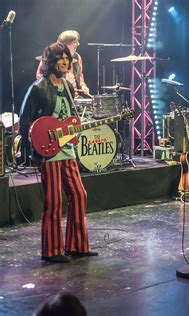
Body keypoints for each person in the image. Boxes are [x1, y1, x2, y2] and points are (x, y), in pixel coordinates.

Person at [20, 42, 98, 263]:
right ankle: (51, 251)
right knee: (54, 201)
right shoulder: (38, 88)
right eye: (60, 58)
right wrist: (33, 152)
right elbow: (26, 121)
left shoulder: (68, 87)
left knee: (78, 194)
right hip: (49, 153)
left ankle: (76, 246)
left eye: (67, 58)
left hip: (68, 150)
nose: (65, 61)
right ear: (50, 62)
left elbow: (68, 117)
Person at [36, 30, 90, 98]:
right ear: (65, 44)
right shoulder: (51, 57)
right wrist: (56, 86)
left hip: (74, 96)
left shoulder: (77, 57)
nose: (78, 44)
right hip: (55, 95)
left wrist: (83, 86)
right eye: (75, 42)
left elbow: (80, 76)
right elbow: (40, 76)